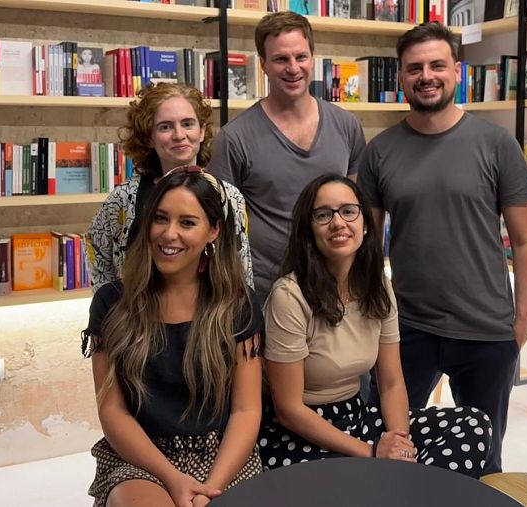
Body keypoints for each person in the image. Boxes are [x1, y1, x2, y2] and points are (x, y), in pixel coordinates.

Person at [358, 22, 527, 475]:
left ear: (457, 71)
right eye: (414, 68)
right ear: (401, 77)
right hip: (406, 329)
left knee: (483, 460)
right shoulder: (379, 151)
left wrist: (521, 322)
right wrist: (368, 318)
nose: (426, 76)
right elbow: (364, 246)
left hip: (485, 330)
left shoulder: (496, 143)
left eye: (437, 65)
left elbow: (525, 240)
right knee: (390, 448)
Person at [258, 174, 493, 478]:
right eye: (323, 215)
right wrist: (371, 452)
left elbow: (391, 382)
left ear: (366, 223)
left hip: (357, 416)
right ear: (308, 229)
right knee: (350, 482)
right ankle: (397, 489)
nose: (338, 222)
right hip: (300, 433)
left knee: (473, 424)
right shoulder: (289, 296)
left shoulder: (378, 285)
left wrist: (400, 445)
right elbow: (289, 410)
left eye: (348, 211)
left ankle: (398, 487)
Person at [82, 167, 264, 507]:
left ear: (213, 231)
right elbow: (113, 411)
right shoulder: (111, 303)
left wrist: (209, 490)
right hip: (142, 460)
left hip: (223, 458)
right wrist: (173, 479)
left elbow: (246, 410)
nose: (169, 234)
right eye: (161, 219)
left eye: (187, 223)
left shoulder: (238, 303)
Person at [208, 11, 366, 304]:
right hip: (265, 295)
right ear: (263, 65)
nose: (293, 68)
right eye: (281, 59)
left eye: (301, 57)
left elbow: (353, 210)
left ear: (312, 58)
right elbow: (220, 226)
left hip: (336, 288)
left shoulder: (347, 126)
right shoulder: (235, 138)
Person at [87, 82, 253, 292]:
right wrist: (110, 302)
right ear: (149, 137)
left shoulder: (229, 196)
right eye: (165, 127)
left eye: (188, 124)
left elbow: (241, 267)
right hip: (137, 309)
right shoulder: (123, 198)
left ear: (202, 131)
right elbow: (96, 250)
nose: (179, 135)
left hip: (211, 311)